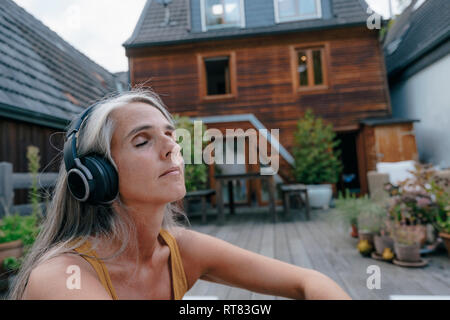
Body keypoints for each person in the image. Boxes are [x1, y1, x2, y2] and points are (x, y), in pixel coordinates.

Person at [8, 89, 351, 300]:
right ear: (98, 174)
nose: (172, 148)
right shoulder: (62, 276)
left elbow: (309, 280)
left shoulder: (178, 249)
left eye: (171, 135)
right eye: (142, 141)